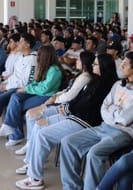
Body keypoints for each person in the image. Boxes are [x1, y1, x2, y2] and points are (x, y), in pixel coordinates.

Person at [15, 54, 117, 190]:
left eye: (96, 64)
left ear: (104, 67)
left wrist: (67, 108)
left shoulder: (105, 85)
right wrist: (66, 107)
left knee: (43, 135)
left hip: (84, 121)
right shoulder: (95, 80)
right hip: (76, 116)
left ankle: (35, 178)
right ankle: (32, 165)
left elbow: (87, 104)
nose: (93, 66)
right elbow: (79, 99)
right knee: (39, 125)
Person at [58, 52, 133, 190]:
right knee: (67, 142)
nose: (122, 66)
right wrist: (115, 114)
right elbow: (104, 108)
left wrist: (112, 111)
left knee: (94, 153)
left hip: (124, 134)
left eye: (125, 64)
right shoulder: (118, 84)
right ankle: (71, 187)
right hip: (104, 126)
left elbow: (125, 119)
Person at [0, 45, 64, 146]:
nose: (37, 58)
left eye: (39, 55)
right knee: (15, 97)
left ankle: (16, 135)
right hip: (37, 92)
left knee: (16, 106)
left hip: (46, 96)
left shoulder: (55, 70)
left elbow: (45, 88)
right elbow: (37, 83)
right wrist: (26, 88)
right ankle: (10, 128)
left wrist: (26, 89)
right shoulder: (46, 67)